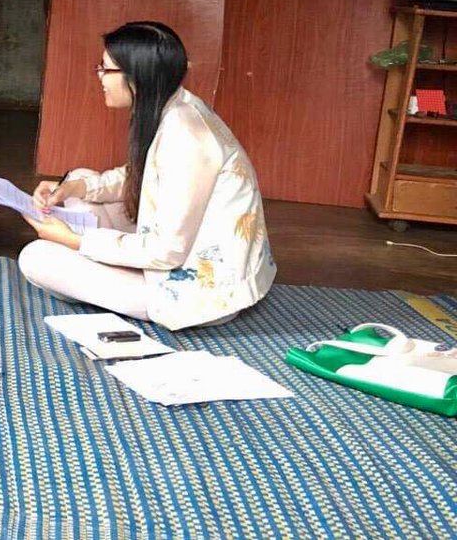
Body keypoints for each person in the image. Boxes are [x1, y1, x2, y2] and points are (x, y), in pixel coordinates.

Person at [20, 21, 276, 331]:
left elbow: (167, 250)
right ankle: (103, 266)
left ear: (136, 76)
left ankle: (109, 278)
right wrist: (74, 186)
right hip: (178, 253)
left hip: (196, 296)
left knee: (36, 258)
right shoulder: (175, 106)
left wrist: (74, 241)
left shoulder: (186, 138)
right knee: (80, 184)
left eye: (105, 69)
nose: (100, 78)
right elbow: (143, 177)